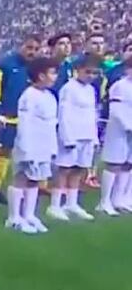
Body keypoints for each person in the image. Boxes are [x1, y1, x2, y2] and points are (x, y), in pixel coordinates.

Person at [0, 36, 41, 208]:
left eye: (36, 49)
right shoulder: (3, 64)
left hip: (16, 118)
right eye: (29, 47)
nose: (32, 52)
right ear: (21, 46)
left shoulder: (33, 69)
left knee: (5, 154)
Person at [6, 57, 60, 233]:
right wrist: (26, 148)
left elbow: (52, 124)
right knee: (21, 178)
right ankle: (14, 217)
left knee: (35, 180)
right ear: (41, 75)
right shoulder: (29, 96)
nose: (55, 77)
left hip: (44, 145)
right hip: (29, 144)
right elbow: (25, 123)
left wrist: (52, 147)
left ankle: (29, 214)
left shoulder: (50, 96)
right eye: (52, 73)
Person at [49, 53, 102, 221]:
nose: (91, 76)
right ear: (78, 70)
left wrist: (94, 137)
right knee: (64, 169)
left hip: (86, 134)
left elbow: (93, 114)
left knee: (79, 169)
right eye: (88, 72)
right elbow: (63, 114)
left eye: (94, 73)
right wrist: (67, 136)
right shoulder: (68, 88)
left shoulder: (91, 90)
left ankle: (71, 203)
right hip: (72, 134)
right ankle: (55, 205)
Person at [98, 62, 132, 215]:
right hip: (119, 130)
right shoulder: (120, 86)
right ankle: (104, 201)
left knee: (128, 164)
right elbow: (115, 109)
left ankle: (120, 199)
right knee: (114, 163)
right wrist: (127, 126)